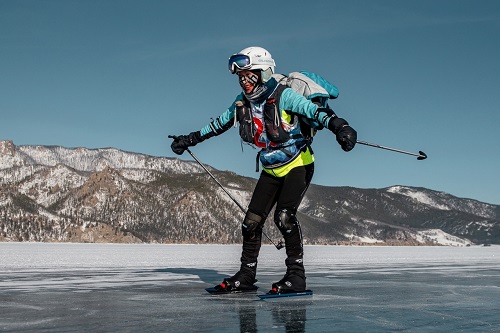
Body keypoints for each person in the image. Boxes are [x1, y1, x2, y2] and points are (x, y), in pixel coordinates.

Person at [170, 46, 357, 294]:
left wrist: (340, 127)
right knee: (251, 223)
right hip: (271, 168)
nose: (244, 81)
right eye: (240, 77)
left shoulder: (284, 96)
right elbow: (218, 124)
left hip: (298, 163)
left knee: (284, 217)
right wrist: (189, 139)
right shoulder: (241, 103)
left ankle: (296, 277)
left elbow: (315, 112)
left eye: (249, 75)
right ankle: (246, 276)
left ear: (264, 72)